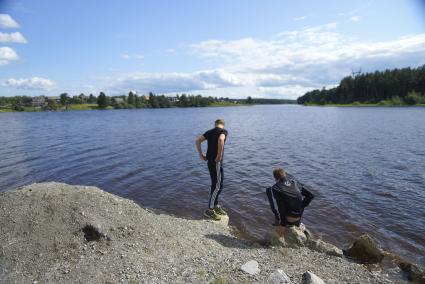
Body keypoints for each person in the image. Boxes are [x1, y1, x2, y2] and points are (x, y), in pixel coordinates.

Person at [195, 118, 228, 220]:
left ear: (215, 124)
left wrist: (201, 155)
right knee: (218, 185)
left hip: (210, 161)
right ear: (223, 124)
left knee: (217, 184)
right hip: (216, 162)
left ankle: (215, 205)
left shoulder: (210, 132)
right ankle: (210, 210)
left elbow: (198, 140)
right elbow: (221, 139)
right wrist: (219, 155)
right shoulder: (223, 131)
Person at [266, 168, 314, 234]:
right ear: (285, 175)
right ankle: (297, 226)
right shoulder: (295, 183)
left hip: (288, 219)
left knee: (272, 196)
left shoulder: (275, 188)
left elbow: (276, 208)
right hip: (298, 217)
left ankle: (278, 228)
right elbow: (311, 195)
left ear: (275, 178)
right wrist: (302, 207)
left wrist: (282, 224)